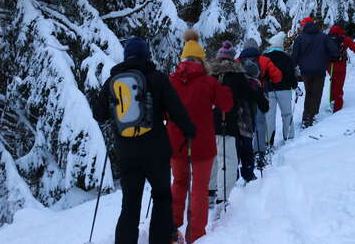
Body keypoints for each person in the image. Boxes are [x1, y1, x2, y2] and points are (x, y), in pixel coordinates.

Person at [92, 37, 196, 244]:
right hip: (155, 150)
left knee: (129, 205)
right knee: (161, 197)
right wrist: (190, 131)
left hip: (126, 152)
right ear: (147, 55)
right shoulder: (157, 78)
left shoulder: (113, 81)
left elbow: (99, 114)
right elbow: (176, 110)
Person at [167, 30, 233, 243]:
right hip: (202, 144)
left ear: (182, 59)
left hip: (176, 143)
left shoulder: (171, 81)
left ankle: (172, 230)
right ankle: (196, 236)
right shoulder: (208, 82)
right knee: (199, 189)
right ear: (201, 60)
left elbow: (163, 111)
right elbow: (227, 104)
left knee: (178, 183)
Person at [208, 41, 269, 213]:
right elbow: (252, 95)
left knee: (215, 159)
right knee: (228, 160)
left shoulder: (210, 77)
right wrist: (263, 103)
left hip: (210, 125)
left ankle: (210, 192)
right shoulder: (237, 77)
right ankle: (222, 198)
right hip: (229, 124)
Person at [238, 38, 282, 165]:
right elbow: (278, 76)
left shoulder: (238, 61)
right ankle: (259, 153)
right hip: (259, 94)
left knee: (244, 124)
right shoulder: (263, 60)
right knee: (260, 122)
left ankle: (244, 153)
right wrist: (266, 77)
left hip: (243, 97)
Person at [292, 18, 339, 128]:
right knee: (316, 93)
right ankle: (311, 116)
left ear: (305, 26)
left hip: (305, 71)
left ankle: (306, 117)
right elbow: (334, 50)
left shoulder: (300, 38)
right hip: (320, 70)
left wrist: (292, 67)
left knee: (309, 93)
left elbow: (295, 55)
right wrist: (332, 58)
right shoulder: (323, 36)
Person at [263, 32, 298, 143]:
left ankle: (268, 142)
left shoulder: (265, 57)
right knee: (287, 114)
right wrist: (295, 85)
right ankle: (289, 137)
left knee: (269, 116)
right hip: (284, 89)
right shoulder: (286, 57)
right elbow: (290, 74)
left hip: (269, 89)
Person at [327, 24, 355, 112]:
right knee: (339, 86)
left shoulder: (326, 39)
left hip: (330, 66)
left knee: (333, 83)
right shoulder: (345, 39)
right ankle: (337, 108)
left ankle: (332, 102)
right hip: (340, 66)